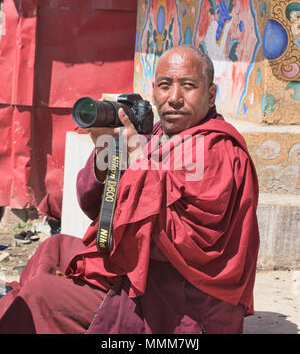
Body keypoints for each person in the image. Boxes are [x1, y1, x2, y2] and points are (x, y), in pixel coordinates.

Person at [0, 45, 259, 334]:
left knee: (41, 295)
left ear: (210, 94)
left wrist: (137, 160)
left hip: (178, 298)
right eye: (164, 85)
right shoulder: (161, 134)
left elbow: (177, 245)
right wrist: (105, 152)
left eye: (188, 86)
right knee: (53, 248)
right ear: (153, 89)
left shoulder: (217, 149)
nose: (174, 98)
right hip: (143, 270)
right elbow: (97, 206)